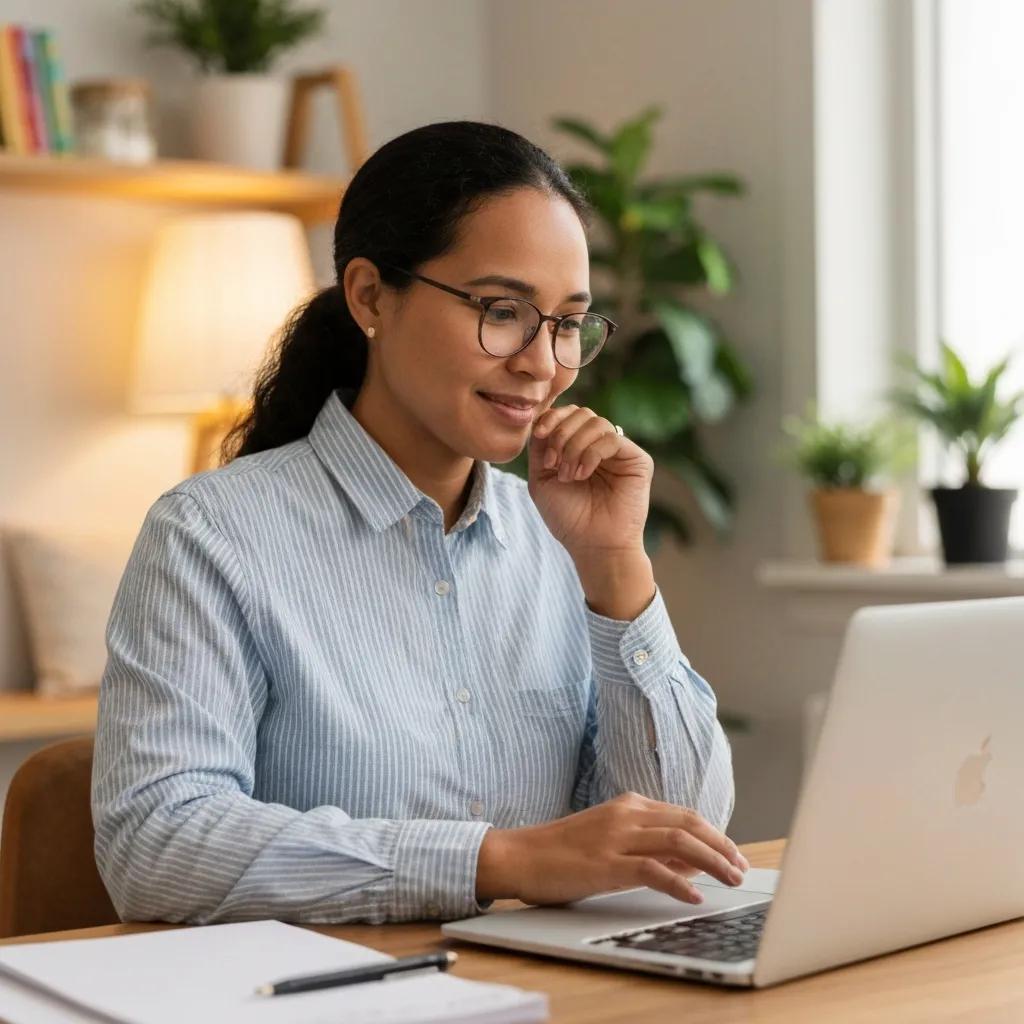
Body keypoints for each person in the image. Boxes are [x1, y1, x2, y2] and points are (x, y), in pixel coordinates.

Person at [91, 120, 747, 926]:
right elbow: (156, 845)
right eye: (503, 309)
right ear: (371, 295)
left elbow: (684, 835)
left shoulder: (561, 536)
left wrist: (616, 565)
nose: (543, 363)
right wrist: (499, 860)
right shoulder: (210, 535)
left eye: (569, 322)